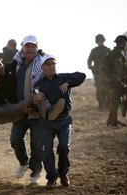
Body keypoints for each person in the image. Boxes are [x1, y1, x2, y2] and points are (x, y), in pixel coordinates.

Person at [32, 54, 86, 188]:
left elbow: (82, 75)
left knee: (63, 147)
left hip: (64, 120)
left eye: (53, 63)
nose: (51, 66)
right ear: (42, 67)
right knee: (47, 150)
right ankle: (51, 178)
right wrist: (34, 100)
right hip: (46, 123)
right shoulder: (38, 84)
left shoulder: (63, 77)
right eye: (48, 64)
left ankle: (63, 174)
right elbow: (36, 106)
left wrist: (68, 83)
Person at [9, 35, 44, 185]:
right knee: (15, 140)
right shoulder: (16, 64)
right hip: (20, 110)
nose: (30, 49)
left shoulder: (43, 63)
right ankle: (24, 162)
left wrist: (35, 104)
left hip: (37, 111)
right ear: (22, 48)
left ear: (37, 48)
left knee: (36, 144)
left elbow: (47, 83)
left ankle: (35, 174)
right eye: (27, 46)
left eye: (33, 46)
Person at [106, 35, 127, 127]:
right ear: (122, 43)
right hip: (115, 81)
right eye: (125, 43)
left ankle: (110, 120)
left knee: (114, 101)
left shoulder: (116, 52)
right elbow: (119, 70)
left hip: (112, 80)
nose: (126, 45)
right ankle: (114, 121)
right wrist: (125, 80)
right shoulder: (117, 54)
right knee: (116, 101)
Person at [87, 34, 111, 110]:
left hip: (107, 74)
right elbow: (89, 61)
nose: (100, 42)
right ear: (96, 42)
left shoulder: (108, 50)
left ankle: (107, 105)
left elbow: (112, 61)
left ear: (103, 40)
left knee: (107, 90)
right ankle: (101, 104)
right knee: (99, 90)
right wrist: (92, 68)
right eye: (98, 41)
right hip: (98, 73)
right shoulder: (94, 51)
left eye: (101, 40)